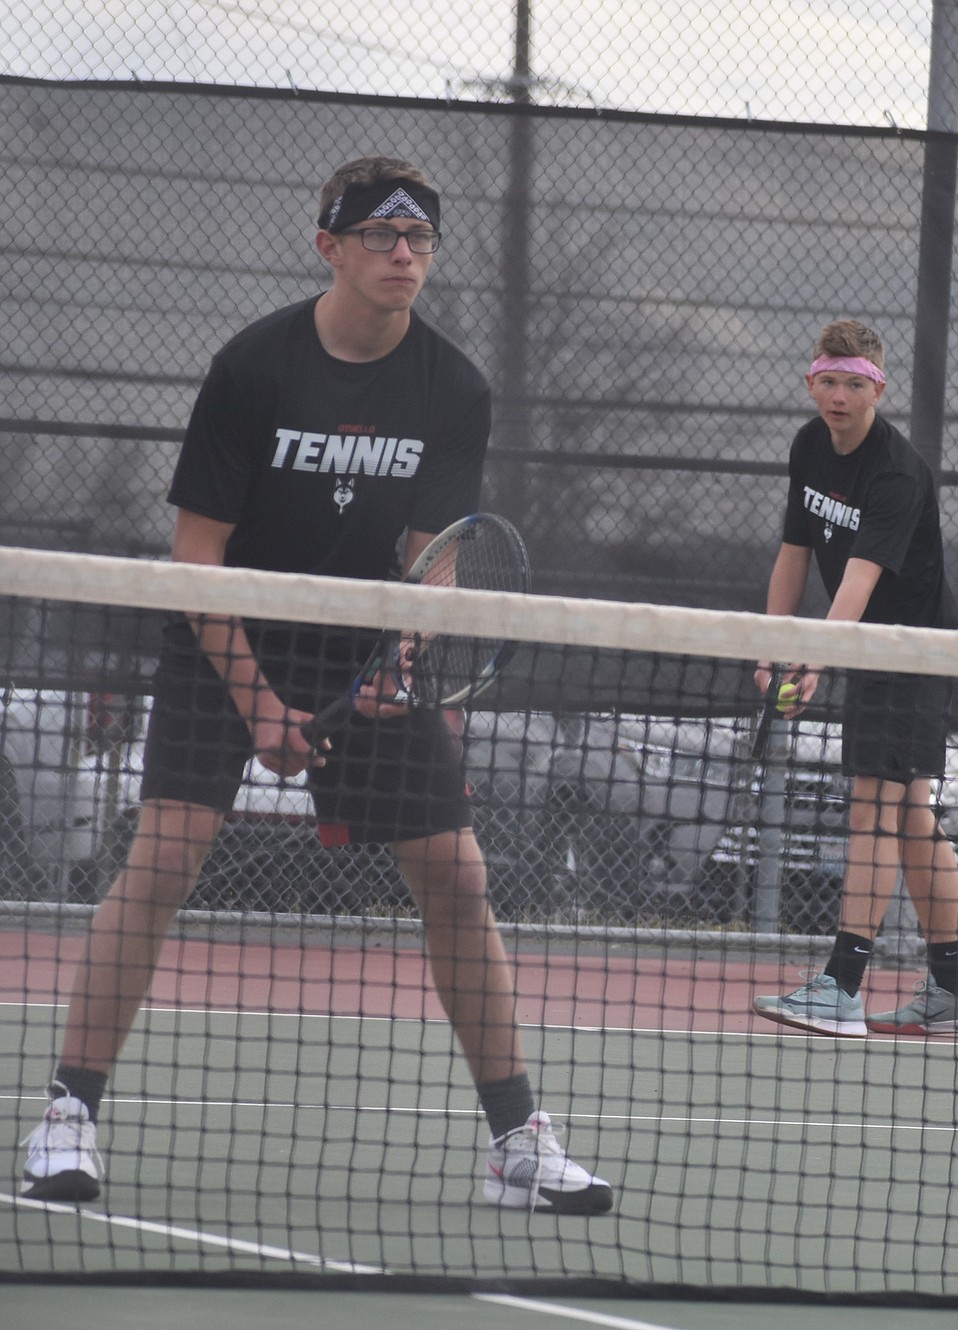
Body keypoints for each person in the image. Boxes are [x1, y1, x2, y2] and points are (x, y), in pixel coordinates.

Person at [21, 156, 613, 1215]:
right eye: (380, 237)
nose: (402, 256)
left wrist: (406, 660)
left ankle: (519, 1139)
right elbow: (195, 557)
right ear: (328, 246)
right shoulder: (252, 369)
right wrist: (258, 703)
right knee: (162, 859)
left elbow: (431, 559)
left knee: (458, 877)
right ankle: (67, 1112)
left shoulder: (454, 389)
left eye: (420, 240)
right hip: (223, 637)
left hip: (362, 649)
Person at [751, 320, 958, 1038]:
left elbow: (856, 583)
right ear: (810, 383)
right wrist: (769, 647)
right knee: (912, 818)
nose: (839, 395)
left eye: (854, 383)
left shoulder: (895, 474)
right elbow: (795, 553)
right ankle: (955, 992)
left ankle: (842, 986)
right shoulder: (807, 447)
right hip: (872, 650)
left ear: (877, 389)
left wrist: (814, 659)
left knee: (874, 811)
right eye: (828, 380)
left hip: (911, 650)